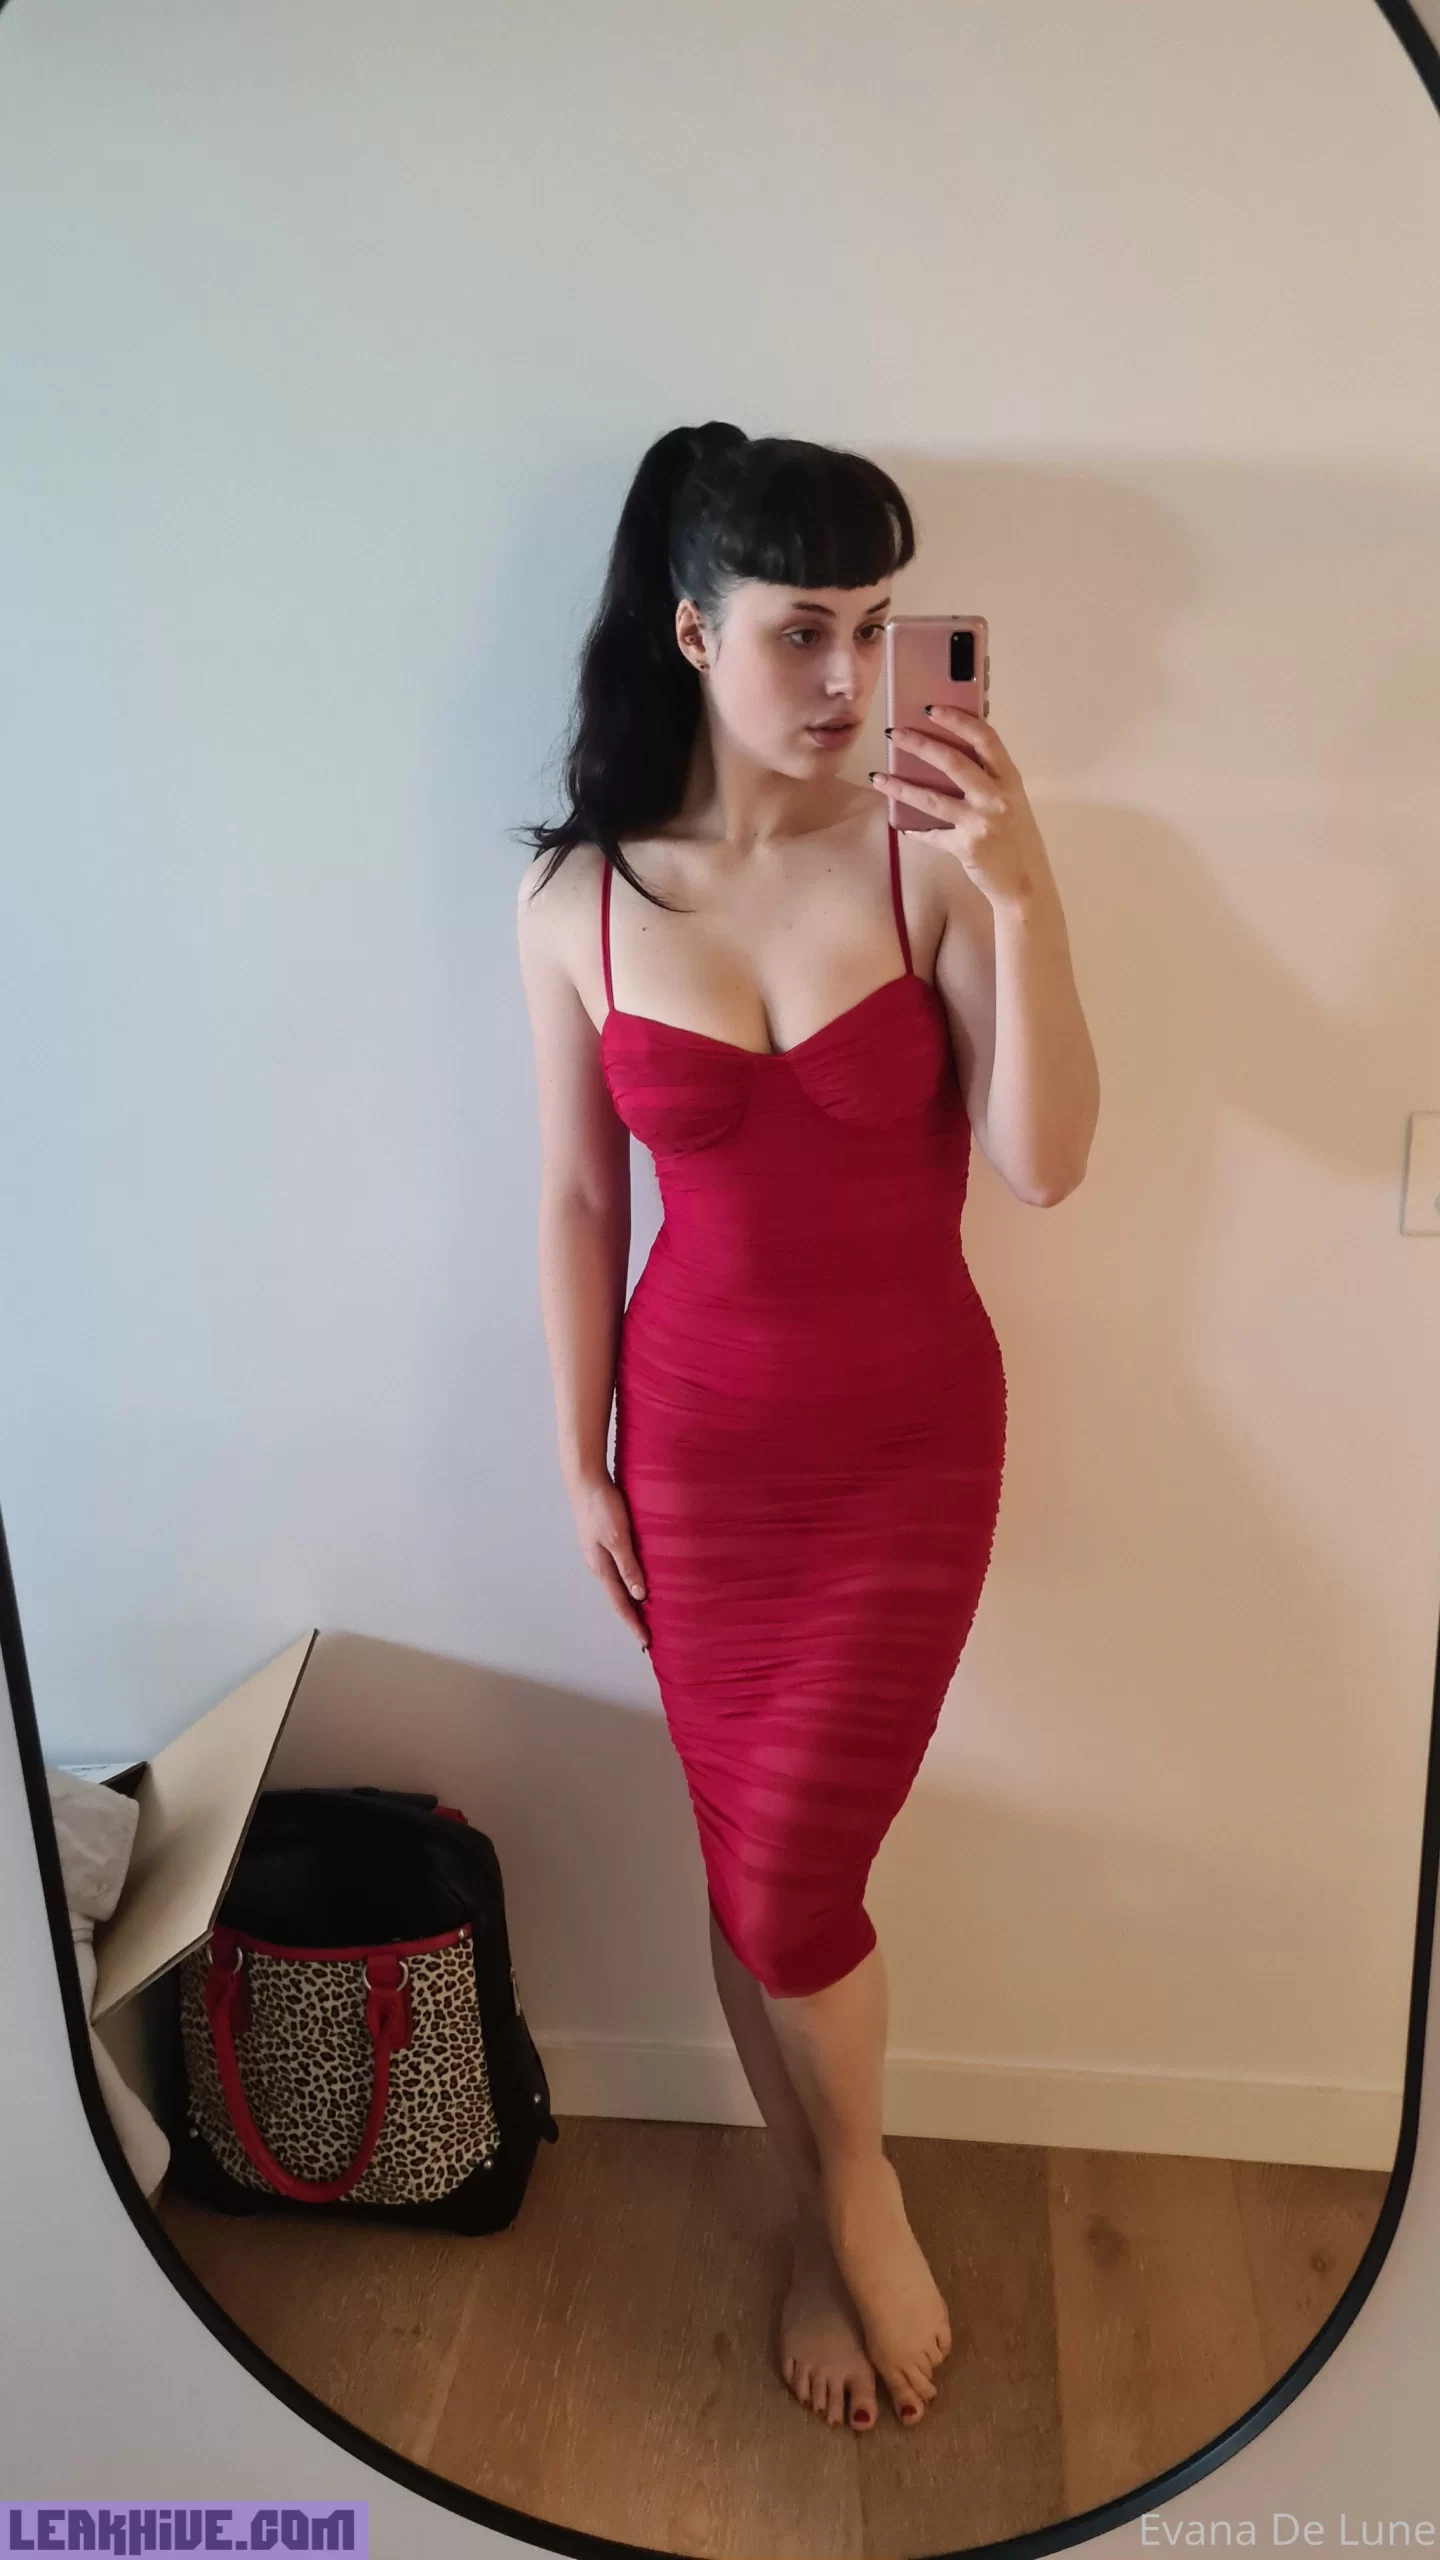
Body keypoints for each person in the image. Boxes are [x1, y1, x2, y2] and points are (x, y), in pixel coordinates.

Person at [514, 422, 1100, 2436]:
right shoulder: (580, 900)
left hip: (905, 1449)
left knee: (792, 1877)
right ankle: (824, 2208)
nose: (850, 674)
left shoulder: (926, 856)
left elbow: (1045, 1163)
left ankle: (857, 2195)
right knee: (743, 1848)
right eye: (800, 629)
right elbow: (576, 1195)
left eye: (876, 625)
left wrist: (1025, 893)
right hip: (694, 1452)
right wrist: (578, 1454)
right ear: (694, 632)